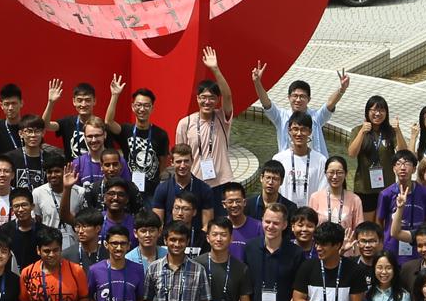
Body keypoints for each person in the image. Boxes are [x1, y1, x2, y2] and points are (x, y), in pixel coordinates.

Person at [249, 64, 349, 161]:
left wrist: (342, 89)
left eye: (302, 96)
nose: (298, 99)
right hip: (288, 166)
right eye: (295, 96)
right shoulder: (281, 117)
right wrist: (257, 83)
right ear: (289, 98)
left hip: (315, 166)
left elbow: (329, 104)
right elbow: (266, 103)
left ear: (309, 99)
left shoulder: (316, 117)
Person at [288, 221, 364, 301]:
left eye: (323, 244)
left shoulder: (354, 270)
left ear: (337, 245)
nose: (318, 248)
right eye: (317, 243)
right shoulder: (307, 267)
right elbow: (298, 300)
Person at [178, 47, 235, 185]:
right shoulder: (185, 123)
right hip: (195, 183)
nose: (207, 102)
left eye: (212, 98)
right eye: (203, 97)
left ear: (217, 100)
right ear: (197, 98)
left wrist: (215, 69)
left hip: (222, 182)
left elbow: (227, 95)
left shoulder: (222, 117)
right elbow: (180, 156)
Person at [137, 222, 208, 301]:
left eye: (181, 240)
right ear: (165, 240)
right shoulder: (153, 268)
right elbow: (147, 299)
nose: (177, 244)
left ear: (187, 241)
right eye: (173, 240)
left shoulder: (198, 270)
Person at [241, 199, 298, 301]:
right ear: (262, 221)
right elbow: (244, 289)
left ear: (284, 225)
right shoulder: (250, 248)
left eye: (276, 223)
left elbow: (299, 292)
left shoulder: (295, 253)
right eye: (267, 222)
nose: (270, 226)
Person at [107, 82, 169, 195]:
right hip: (127, 190)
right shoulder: (126, 130)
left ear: (152, 108)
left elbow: (163, 162)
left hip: (152, 191)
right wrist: (115, 95)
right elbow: (108, 122)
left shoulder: (161, 134)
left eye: (146, 105)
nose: (142, 109)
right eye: (138, 105)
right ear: (132, 107)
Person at [347, 95, 404, 210]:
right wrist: (362, 132)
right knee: (367, 226)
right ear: (367, 112)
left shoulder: (390, 131)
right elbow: (352, 153)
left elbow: (403, 153)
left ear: (386, 113)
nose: (377, 114)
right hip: (364, 187)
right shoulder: (358, 130)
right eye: (374, 110)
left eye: (381, 110)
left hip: (387, 186)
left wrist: (398, 131)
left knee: (384, 223)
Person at [20, 234, 88, 301]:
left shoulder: (76, 271)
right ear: (38, 250)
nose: (51, 255)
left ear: (61, 249)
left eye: (55, 250)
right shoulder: (28, 273)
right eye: (47, 251)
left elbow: (86, 298)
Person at [378, 149, 426, 262]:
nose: (403, 168)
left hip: (417, 245)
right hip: (392, 246)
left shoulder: (425, 193)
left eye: (407, 164)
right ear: (393, 169)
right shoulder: (386, 194)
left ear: (414, 169)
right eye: (398, 164)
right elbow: (380, 221)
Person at [272, 112, 328, 209]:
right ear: (289, 131)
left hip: (310, 215)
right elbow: (274, 190)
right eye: (295, 129)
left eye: (303, 130)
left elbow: (322, 192)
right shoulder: (279, 159)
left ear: (310, 131)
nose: (299, 134)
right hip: (284, 214)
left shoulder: (321, 161)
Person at [200, 217, 250, 301]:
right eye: (214, 234)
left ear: (231, 238)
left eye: (223, 235)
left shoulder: (241, 268)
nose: (218, 239)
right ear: (208, 238)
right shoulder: (197, 265)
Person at [85, 228, 144, 301]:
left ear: (129, 245)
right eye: (114, 243)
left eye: (123, 243)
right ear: (106, 245)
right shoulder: (94, 270)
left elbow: (140, 298)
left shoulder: (138, 269)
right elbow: (88, 296)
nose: (119, 248)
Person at [309, 155, 365, 235]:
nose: (335, 176)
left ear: (346, 174)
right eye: (331, 172)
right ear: (325, 173)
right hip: (321, 245)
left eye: (339, 172)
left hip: (346, 245)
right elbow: (310, 225)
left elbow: (359, 230)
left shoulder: (355, 199)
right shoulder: (315, 197)